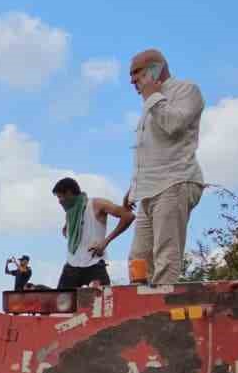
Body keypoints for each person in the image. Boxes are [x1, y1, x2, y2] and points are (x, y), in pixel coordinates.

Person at [123, 48, 204, 285]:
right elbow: (154, 149)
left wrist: (152, 97)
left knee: (166, 255)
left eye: (136, 72)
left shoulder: (186, 90)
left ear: (155, 69)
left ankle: (161, 304)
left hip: (175, 181)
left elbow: (174, 125)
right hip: (149, 189)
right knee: (138, 258)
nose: (132, 80)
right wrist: (134, 187)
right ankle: (140, 302)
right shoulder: (151, 102)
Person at [52, 177, 134, 289]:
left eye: (60, 197)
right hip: (71, 266)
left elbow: (128, 216)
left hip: (94, 265)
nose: (59, 201)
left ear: (69, 193)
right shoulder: (70, 213)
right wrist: (68, 226)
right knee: (59, 299)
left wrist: (105, 242)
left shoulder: (97, 204)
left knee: (103, 299)